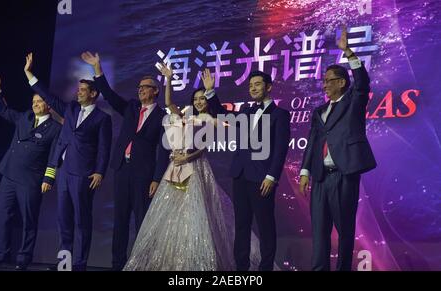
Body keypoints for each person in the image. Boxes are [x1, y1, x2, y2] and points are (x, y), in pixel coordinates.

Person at [123, 64, 236, 271]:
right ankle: (172, 262)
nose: (199, 102)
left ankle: (195, 264)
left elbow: (203, 149)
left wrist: (187, 157)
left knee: (195, 215)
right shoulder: (185, 116)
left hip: (195, 167)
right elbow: (168, 102)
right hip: (175, 168)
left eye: (203, 98)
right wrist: (168, 79)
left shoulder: (210, 119)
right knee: (170, 216)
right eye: (196, 99)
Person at [81, 52, 169, 270]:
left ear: (155, 91)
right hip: (122, 170)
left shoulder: (162, 116)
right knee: (119, 221)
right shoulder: (130, 107)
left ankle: (141, 264)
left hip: (144, 175)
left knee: (142, 222)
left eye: (145, 86)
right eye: (139, 86)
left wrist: (157, 179)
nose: (140, 89)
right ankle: (117, 264)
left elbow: (164, 150)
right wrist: (97, 69)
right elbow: (109, 95)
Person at [24, 53, 112, 271]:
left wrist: (100, 172)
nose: (78, 92)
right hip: (63, 173)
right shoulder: (71, 109)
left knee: (82, 221)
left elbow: (103, 148)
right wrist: (30, 75)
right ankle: (65, 264)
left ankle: (80, 264)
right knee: (64, 221)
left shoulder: (103, 118)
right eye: (78, 89)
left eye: (82, 90)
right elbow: (49, 97)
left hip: (83, 175)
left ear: (93, 94)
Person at [299, 27, 377, 271]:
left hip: (344, 174)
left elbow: (363, 83)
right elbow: (312, 142)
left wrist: (348, 53)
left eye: (329, 81)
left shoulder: (353, 101)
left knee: (344, 230)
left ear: (342, 83)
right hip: (321, 178)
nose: (324, 85)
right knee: (320, 231)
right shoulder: (318, 112)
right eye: (323, 81)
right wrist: (304, 172)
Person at [204, 69, 291, 271]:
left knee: (265, 226)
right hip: (240, 175)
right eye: (250, 85)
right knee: (241, 225)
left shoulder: (280, 115)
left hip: (262, 178)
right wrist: (210, 93)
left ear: (268, 87)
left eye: (257, 84)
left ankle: (265, 268)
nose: (253, 88)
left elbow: (280, 149)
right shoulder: (246, 112)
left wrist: (272, 176)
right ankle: (241, 269)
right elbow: (221, 113)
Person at [0, 74, 61, 271]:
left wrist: (49, 178)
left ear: (48, 105)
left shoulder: (55, 128)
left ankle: (24, 257)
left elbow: (54, 156)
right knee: (1, 215)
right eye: (34, 101)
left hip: (31, 180)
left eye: (39, 101)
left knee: (28, 220)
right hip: (9, 175)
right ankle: (0, 254)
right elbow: (3, 110)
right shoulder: (24, 117)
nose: (36, 104)